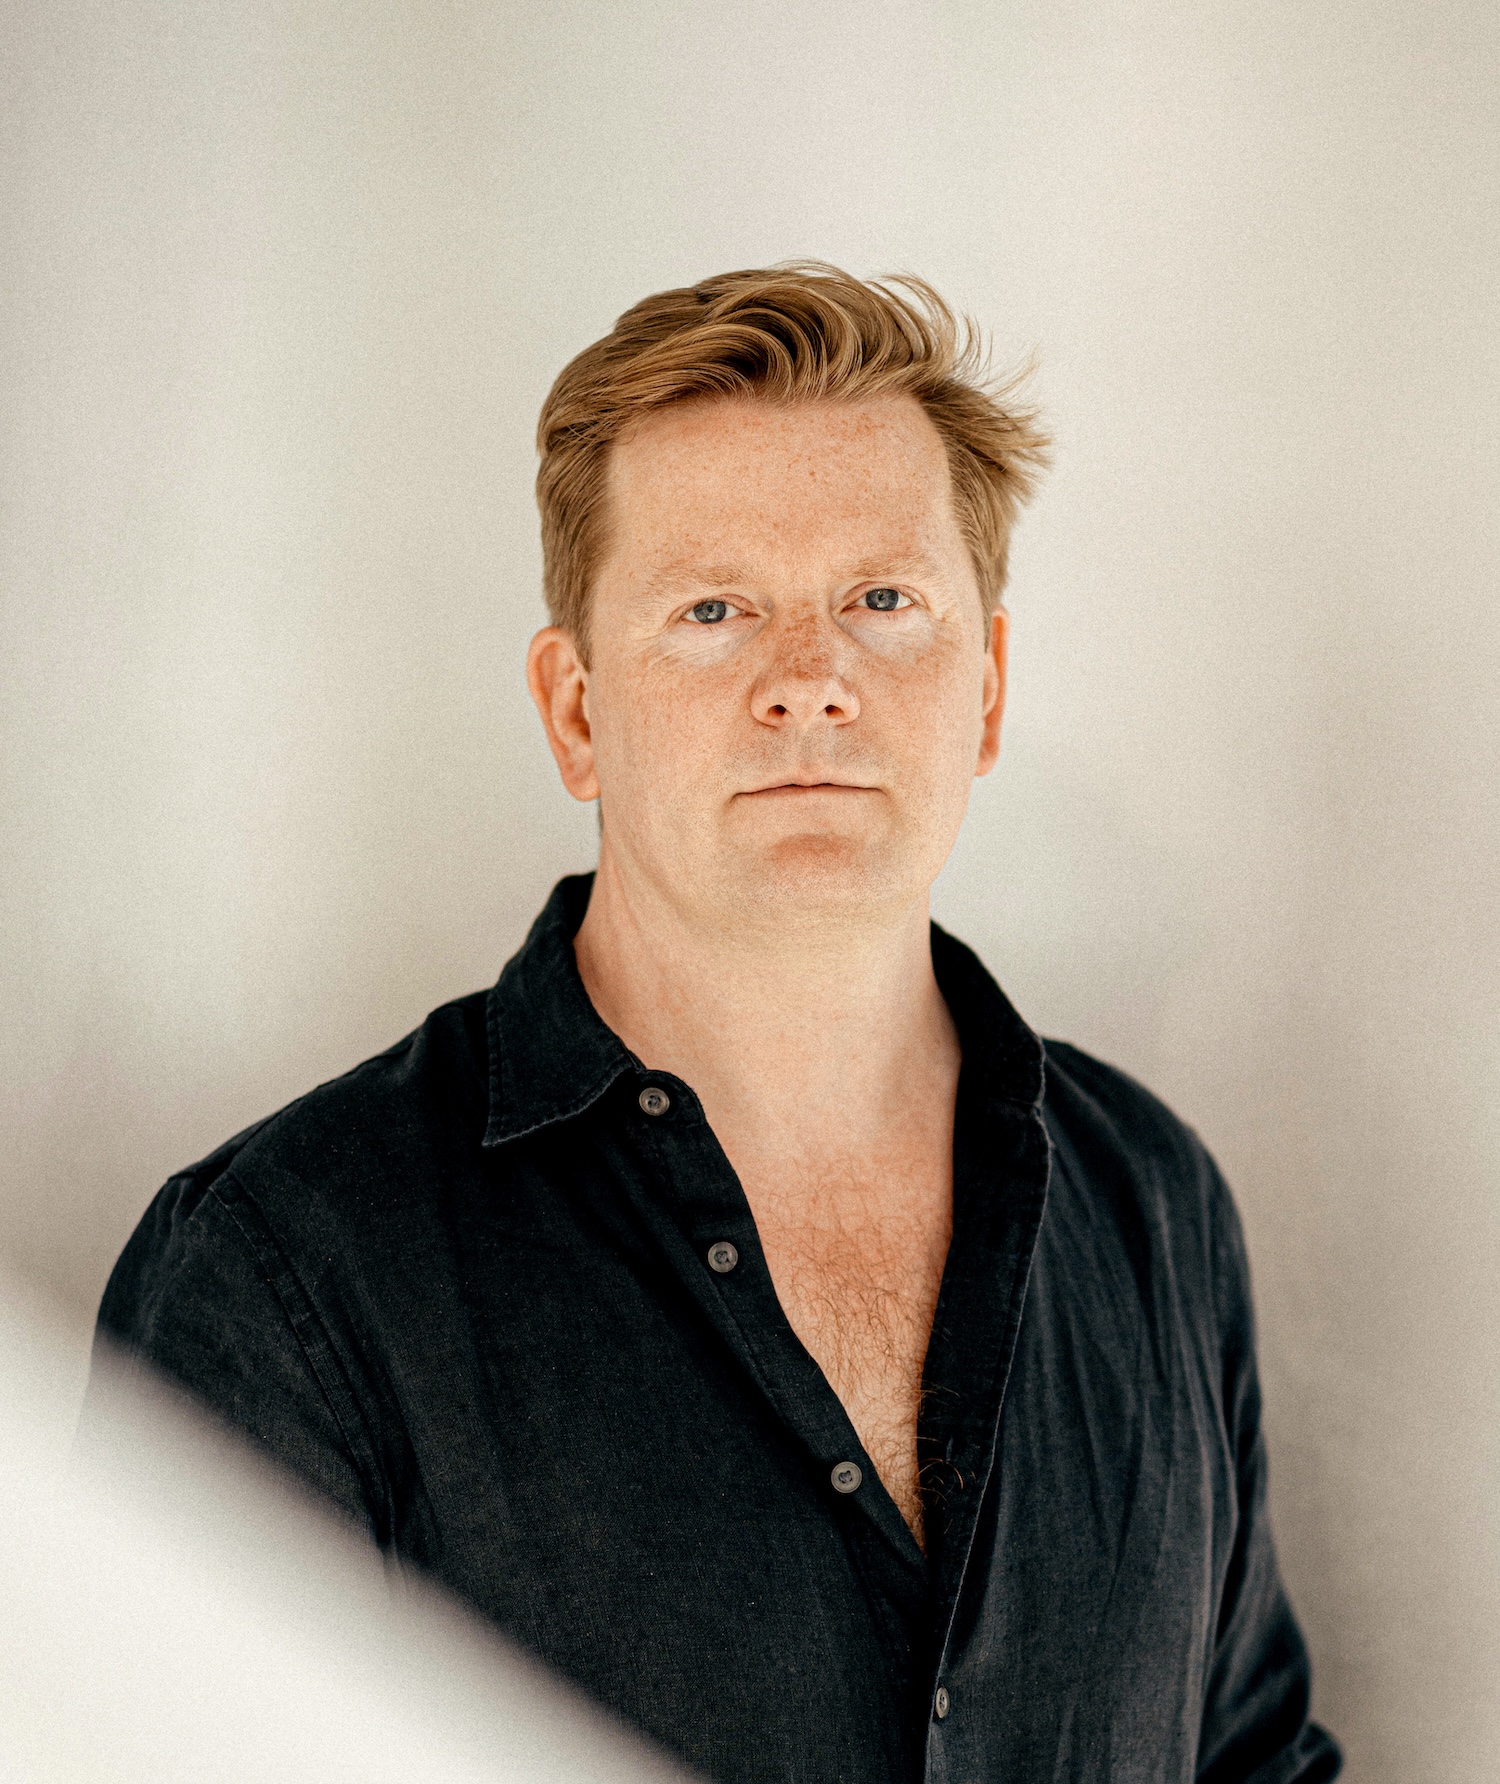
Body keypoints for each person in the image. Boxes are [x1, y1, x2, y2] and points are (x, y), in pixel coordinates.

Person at [89, 264, 1340, 1783]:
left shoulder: (1151, 1201)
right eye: (712, 610)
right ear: (575, 713)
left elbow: (1254, 1761)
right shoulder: (282, 1274)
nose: (810, 682)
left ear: (989, 688)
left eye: (884, 602)